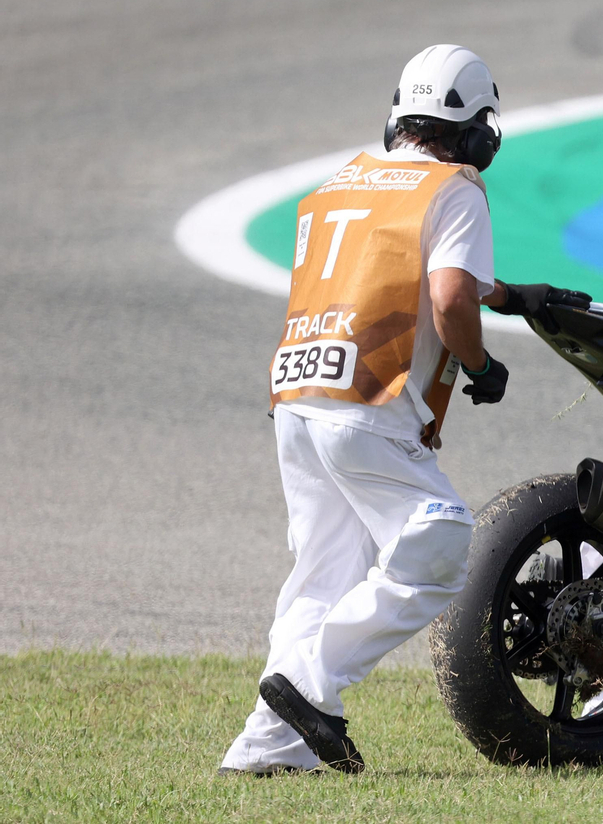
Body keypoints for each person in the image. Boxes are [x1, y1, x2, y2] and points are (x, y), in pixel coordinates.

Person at [220, 44, 524, 776]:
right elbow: (449, 297)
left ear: (400, 117)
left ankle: (269, 747)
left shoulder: (340, 182)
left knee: (322, 572)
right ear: (477, 129)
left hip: (297, 393)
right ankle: (312, 686)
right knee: (442, 539)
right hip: (369, 398)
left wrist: (510, 297)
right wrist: (480, 365)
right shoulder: (455, 188)